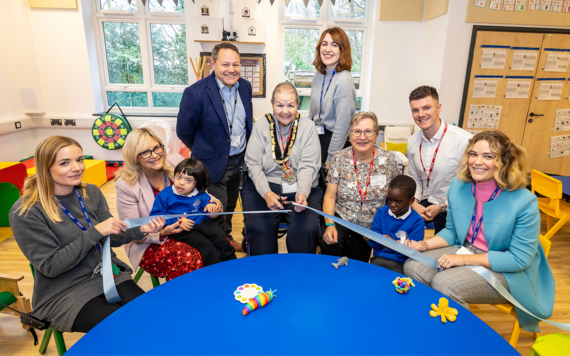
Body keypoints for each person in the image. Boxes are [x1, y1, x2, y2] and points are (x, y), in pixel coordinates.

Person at [9, 136, 165, 333]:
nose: (77, 168)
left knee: (152, 317)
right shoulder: (26, 211)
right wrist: (94, 232)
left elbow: (113, 238)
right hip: (65, 291)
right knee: (124, 329)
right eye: (65, 163)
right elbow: (50, 266)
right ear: (45, 168)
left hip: (109, 274)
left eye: (79, 159)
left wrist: (142, 229)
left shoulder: (90, 192)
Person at [404, 131, 555, 332]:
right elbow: (452, 231)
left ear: (505, 161)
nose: (477, 161)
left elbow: (519, 260)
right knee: (414, 265)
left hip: (507, 269)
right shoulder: (459, 186)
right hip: (467, 249)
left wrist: (463, 260)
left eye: (488, 156)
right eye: (473, 154)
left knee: (445, 283)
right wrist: (422, 245)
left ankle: (464, 341)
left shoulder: (524, 201)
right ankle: (431, 326)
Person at [177, 42, 253, 252]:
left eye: (236, 64)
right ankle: (222, 255)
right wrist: (205, 151)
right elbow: (184, 131)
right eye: (225, 64)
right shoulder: (195, 92)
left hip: (239, 159)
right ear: (213, 64)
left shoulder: (245, 87)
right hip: (212, 163)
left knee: (229, 205)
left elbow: (246, 122)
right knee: (215, 209)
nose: (231, 69)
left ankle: (226, 240)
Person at [116, 128, 214, 281]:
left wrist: (214, 204)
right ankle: (181, 301)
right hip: (151, 242)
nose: (155, 155)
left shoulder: (175, 162)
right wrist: (163, 232)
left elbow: (205, 196)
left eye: (156, 147)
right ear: (135, 158)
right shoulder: (126, 185)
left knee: (220, 244)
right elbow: (132, 231)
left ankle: (214, 287)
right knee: (190, 259)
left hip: (188, 229)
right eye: (145, 152)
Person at [243, 82, 323, 255]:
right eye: (279, 105)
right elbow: (253, 163)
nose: (285, 111)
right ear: (272, 103)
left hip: (301, 185)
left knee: (304, 230)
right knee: (259, 229)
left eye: (290, 105)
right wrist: (266, 193)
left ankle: (299, 275)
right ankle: (264, 275)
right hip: (265, 184)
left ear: (297, 105)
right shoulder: (260, 126)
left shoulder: (308, 127)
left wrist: (303, 193)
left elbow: (308, 165)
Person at [321, 112, 400, 262]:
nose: (362, 137)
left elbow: (397, 196)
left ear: (376, 135)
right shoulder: (339, 158)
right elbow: (330, 196)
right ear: (350, 135)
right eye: (357, 131)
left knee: (358, 263)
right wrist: (329, 224)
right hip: (342, 217)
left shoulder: (388, 160)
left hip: (371, 224)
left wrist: (381, 227)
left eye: (368, 131)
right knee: (329, 245)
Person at [406, 86, 473, 234]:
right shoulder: (413, 141)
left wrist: (443, 206)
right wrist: (415, 202)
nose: (421, 114)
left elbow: (472, 186)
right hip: (424, 203)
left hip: (453, 208)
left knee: (446, 252)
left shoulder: (464, 141)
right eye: (415, 110)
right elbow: (414, 177)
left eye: (427, 108)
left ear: (439, 108)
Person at [150, 158, 237, 264]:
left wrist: (212, 206)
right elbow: (156, 217)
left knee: (222, 239)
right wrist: (178, 222)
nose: (181, 182)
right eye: (179, 177)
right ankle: (216, 269)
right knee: (207, 248)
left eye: (188, 180)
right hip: (183, 230)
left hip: (203, 223)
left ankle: (232, 263)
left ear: (196, 183)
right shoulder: (164, 196)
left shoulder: (199, 193)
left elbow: (208, 204)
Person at [309, 27, 357, 171]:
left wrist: (331, 158)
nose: (328, 49)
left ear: (342, 50)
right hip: (316, 137)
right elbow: (312, 109)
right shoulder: (318, 75)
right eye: (324, 44)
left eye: (334, 45)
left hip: (333, 142)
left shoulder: (344, 80)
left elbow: (342, 125)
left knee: (326, 190)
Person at [367, 175, 425, 274]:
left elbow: (412, 252)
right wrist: (372, 239)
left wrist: (393, 244)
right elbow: (374, 246)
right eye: (390, 199)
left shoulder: (417, 221)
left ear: (411, 200)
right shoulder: (381, 213)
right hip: (379, 259)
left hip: (402, 263)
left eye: (398, 201)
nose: (392, 204)